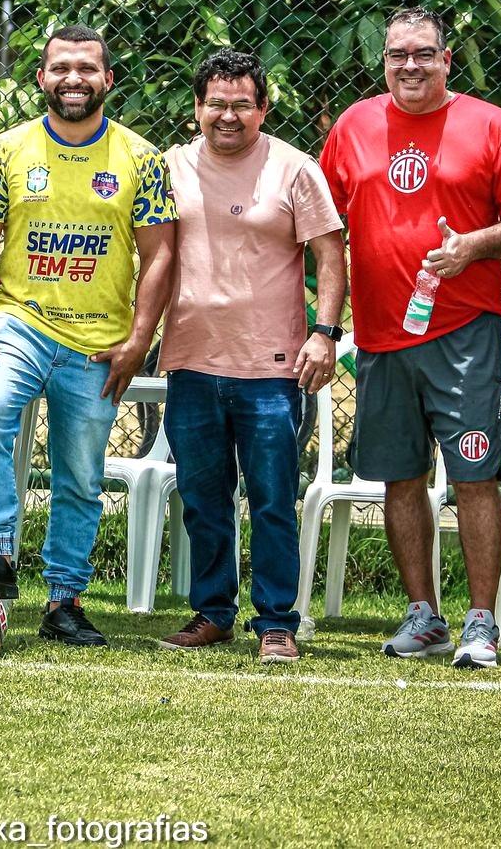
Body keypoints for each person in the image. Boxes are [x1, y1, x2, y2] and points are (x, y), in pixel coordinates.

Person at [320, 6, 501, 670]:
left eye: (424, 54)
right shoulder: (354, 126)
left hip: (465, 331)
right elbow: (321, 223)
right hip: (381, 336)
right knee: (400, 476)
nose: (410, 66)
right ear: (383, 61)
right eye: (398, 55)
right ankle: (424, 617)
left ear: (447, 60)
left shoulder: (490, 124)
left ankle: (482, 621)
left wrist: (472, 246)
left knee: (475, 475)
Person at [0, 25, 176, 647]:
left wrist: (137, 339)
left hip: (99, 342)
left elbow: (160, 255)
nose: (73, 79)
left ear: (108, 80)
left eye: (86, 69)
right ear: (42, 78)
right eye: (60, 68)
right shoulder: (5, 149)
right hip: (20, 322)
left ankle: (65, 601)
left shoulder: (141, 159)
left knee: (80, 473)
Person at [156, 48, 346, 664]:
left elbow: (330, 256)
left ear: (263, 108)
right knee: (203, 498)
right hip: (190, 360)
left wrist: (325, 332)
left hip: (271, 368)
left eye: (242, 104)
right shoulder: (168, 169)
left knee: (270, 498)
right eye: (217, 104)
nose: (229, 116)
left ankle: (276, 620)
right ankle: (213, 613)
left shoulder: (295, 170)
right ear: (196, 110)